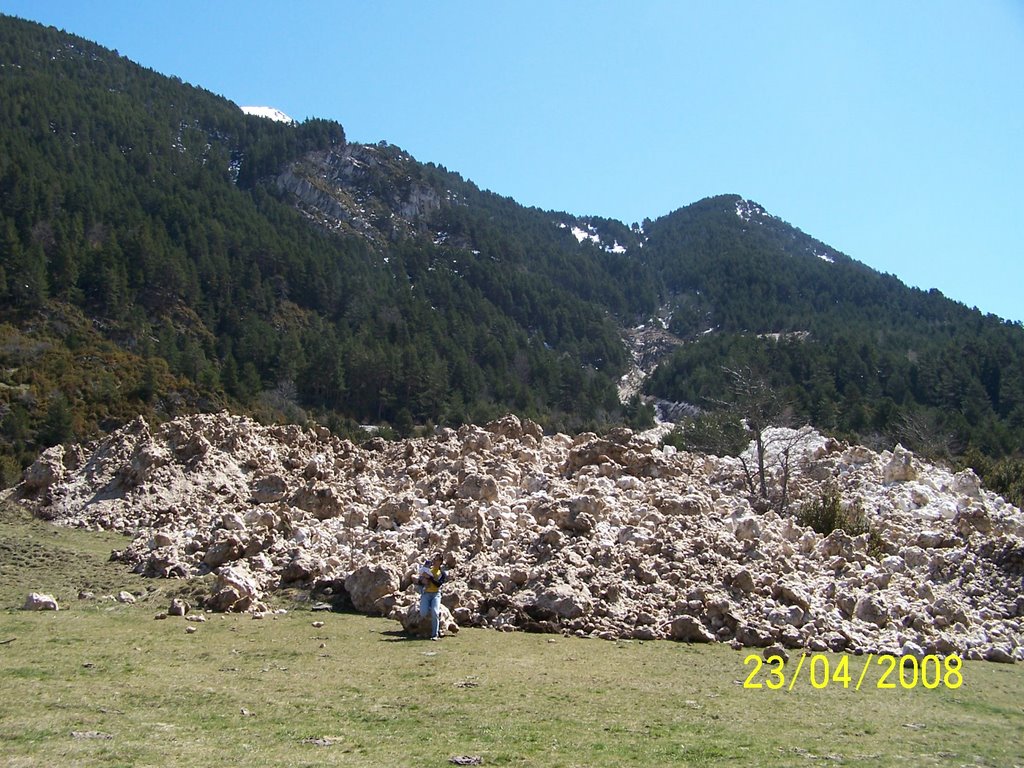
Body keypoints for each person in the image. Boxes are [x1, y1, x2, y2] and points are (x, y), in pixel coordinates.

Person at [417, 552, 448, 640]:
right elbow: (419, 581)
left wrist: (430, 578)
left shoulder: (442, 573)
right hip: (426, 593)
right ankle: (422, 631)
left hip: (436, 594)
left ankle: (435, 634)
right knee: (423, 612)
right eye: (434, 559)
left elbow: (438, 584)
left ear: (440, 562)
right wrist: (422, 580)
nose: (434, 561)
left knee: (435, 612)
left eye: (437, 560)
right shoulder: (427, 570)